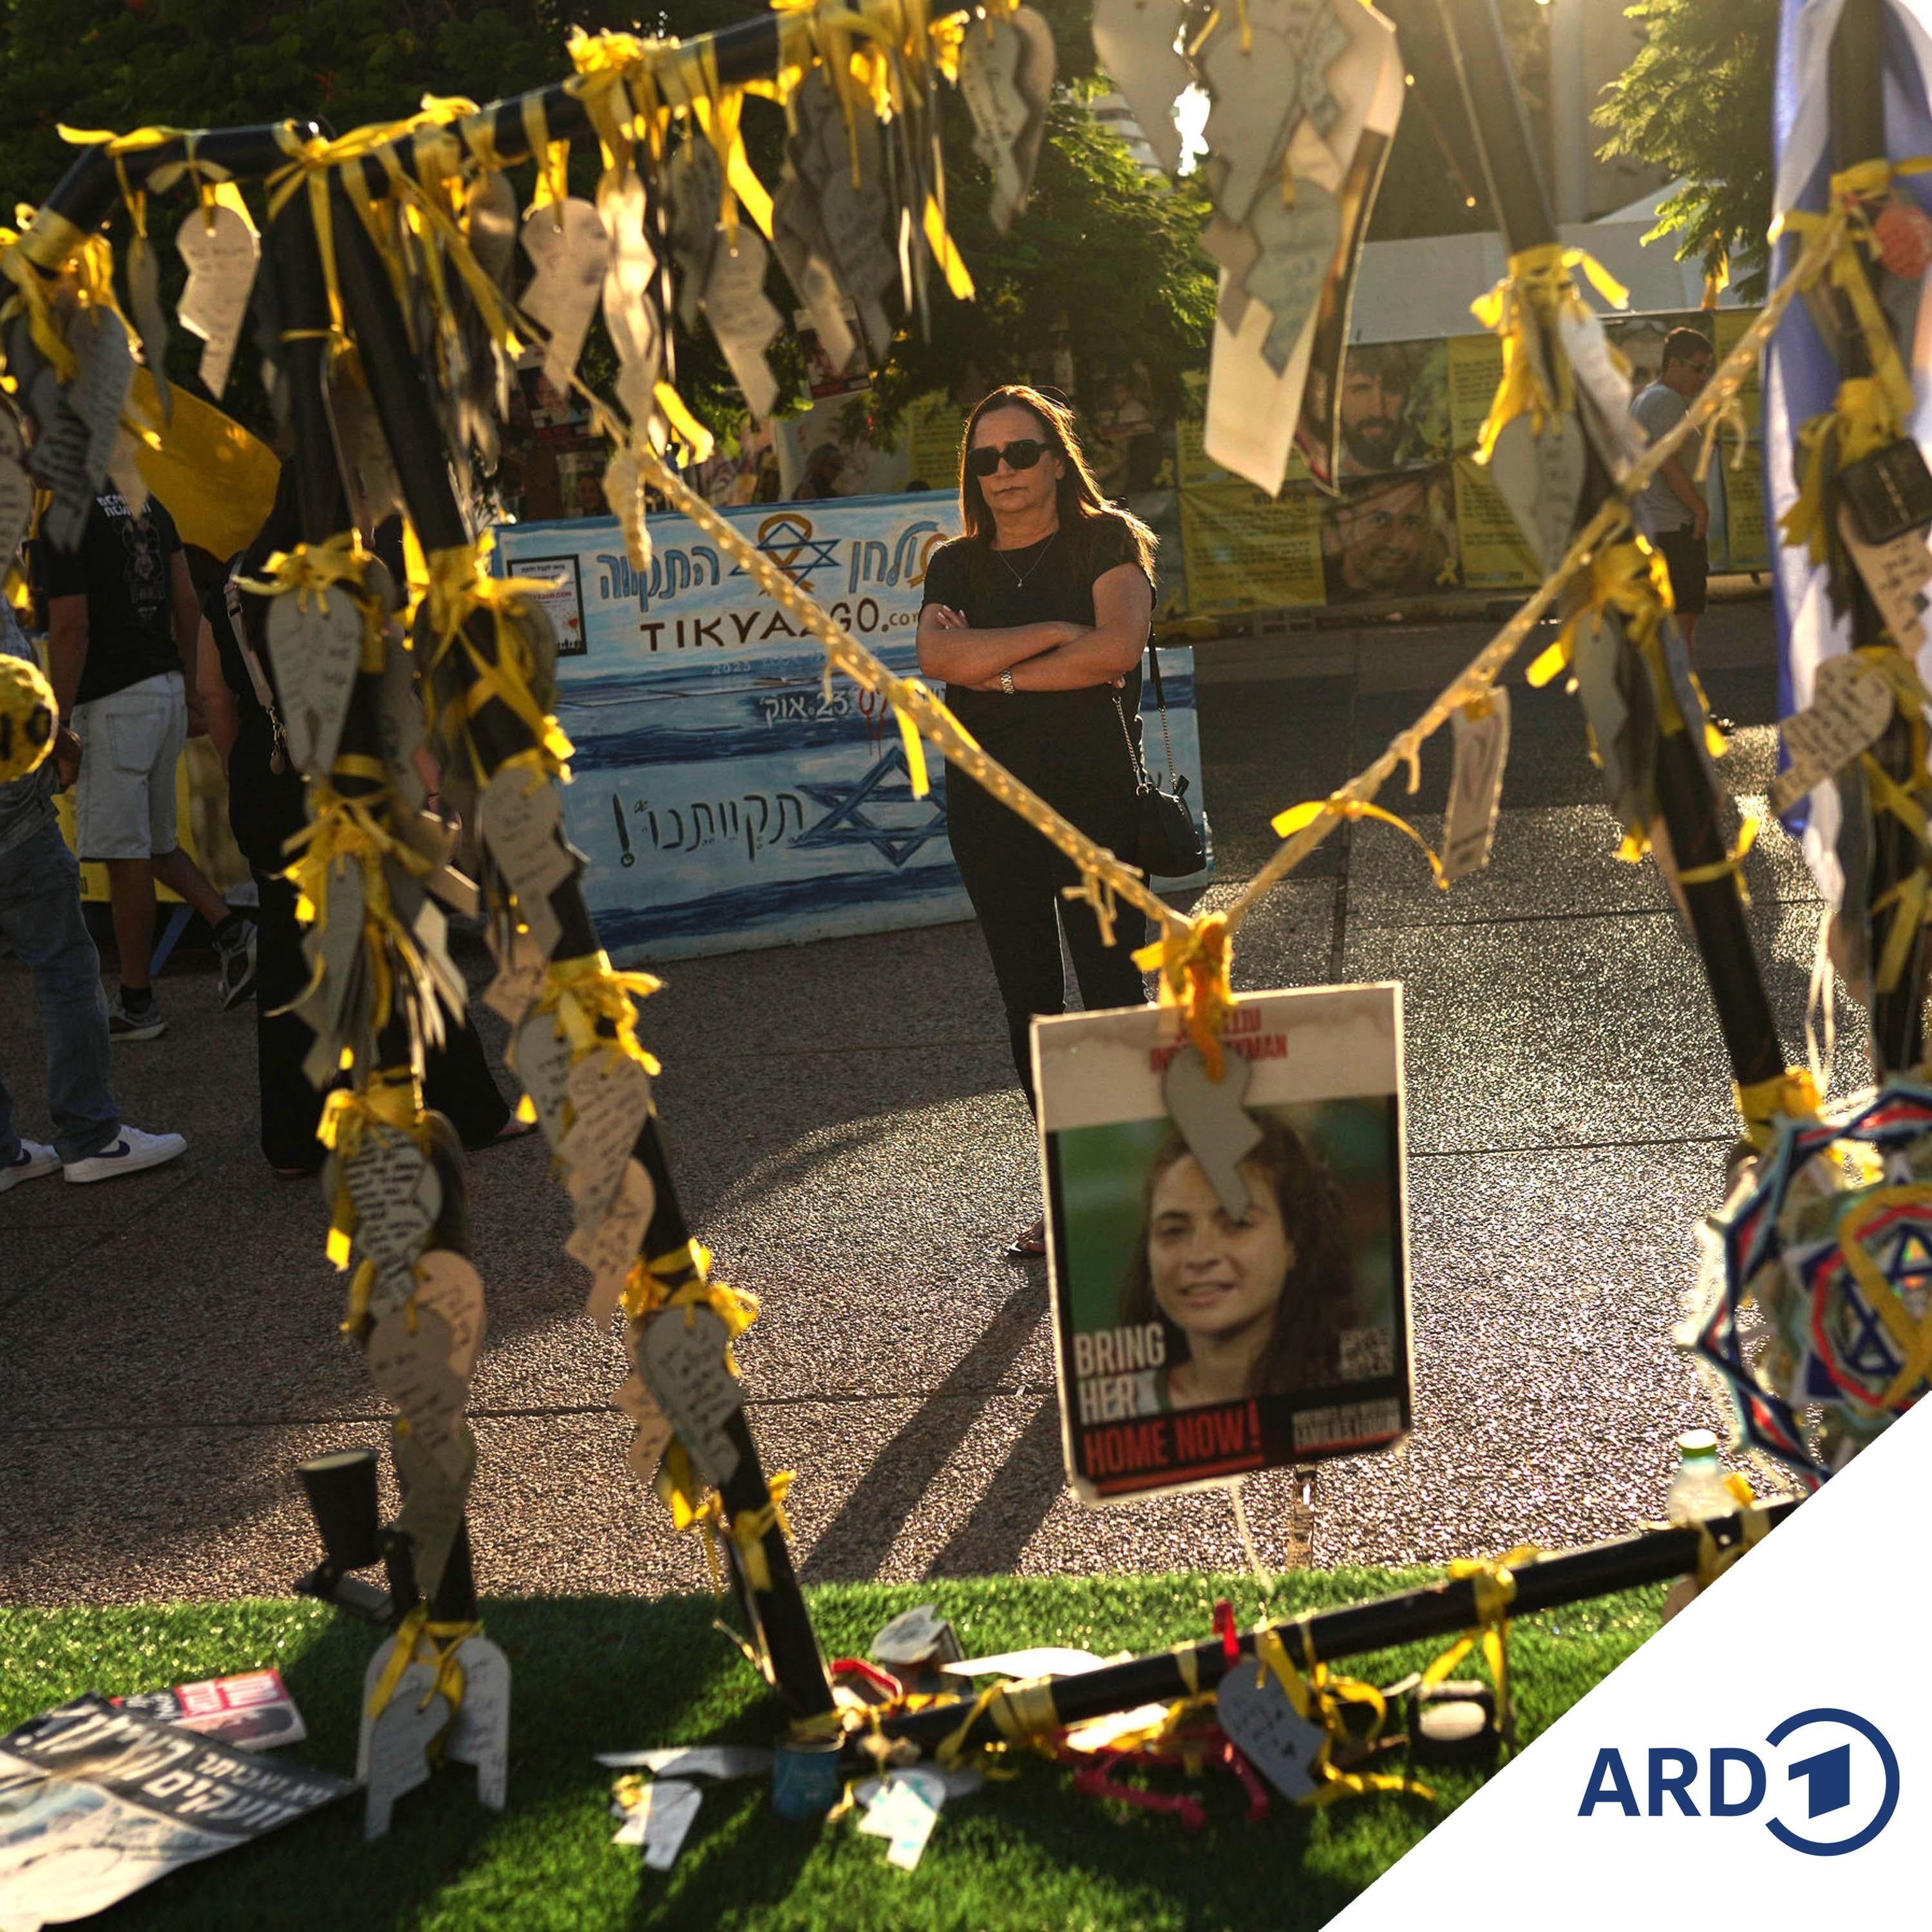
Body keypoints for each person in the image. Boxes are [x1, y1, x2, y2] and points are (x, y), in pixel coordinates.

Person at [196, 475, 526, 1175]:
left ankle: (295, 1138)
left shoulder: (236, 577)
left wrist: (251, 765)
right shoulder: (360, 572)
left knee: (290, 953)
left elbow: (212, 693)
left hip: (272, 770)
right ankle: (466, 1109)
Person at [917, 384, 1155, 1258]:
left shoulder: (1106, 539)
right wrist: (1057, 632)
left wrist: (1001, 672)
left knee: (1111, 991)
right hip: (990, 811)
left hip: (1092, 804)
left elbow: (1115, 651)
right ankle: (1075, 1190)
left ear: (1056, 459)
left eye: (1021, 454)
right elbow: (939, 657)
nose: (1004, 473)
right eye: (986, 460)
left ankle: (1141, 1179)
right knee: (1030, 1002)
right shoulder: (955, 565)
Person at [37, 491, 256, 1039]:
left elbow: (70, 630)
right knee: (156, 844)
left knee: (123, 854)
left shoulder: (64, 513)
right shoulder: (149, 503)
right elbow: (186, 601)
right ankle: (235, 933)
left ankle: (137, 1001)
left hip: (112, 702)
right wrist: (189, 686)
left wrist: (57, 726)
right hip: (159, 691)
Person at [0, 606, 187, 1190]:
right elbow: (14, 691)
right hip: (14, 823)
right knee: (66, 971)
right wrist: (64, 740)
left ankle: (5, 1151)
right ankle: (90, 1136)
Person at [1117, 1120, 1354, 1409]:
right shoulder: (1120, 1407)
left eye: (1237, 1224)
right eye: (1174, 1231)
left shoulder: (1351, 1388)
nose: (1200, 1256)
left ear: (1294, 1242)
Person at [1630, 327, 1716, 651]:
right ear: (1674, 364)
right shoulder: (1666, 401)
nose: (1702, 376)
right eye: (1697, 368)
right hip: (1674, 530)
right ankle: (1678, 700)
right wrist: (1698, 508)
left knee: (1662, 632)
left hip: (1654, 526)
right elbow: (1667, 461)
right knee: (1681, 629)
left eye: (1706, 368)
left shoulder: (1647, 399)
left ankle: (1662, 699)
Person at [1323, 471, 1451, 600]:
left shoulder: (1439, 594)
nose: (1395, 541)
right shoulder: (1319, 599)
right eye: (1379, 520)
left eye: (1411, 523)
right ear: (1345, 524)